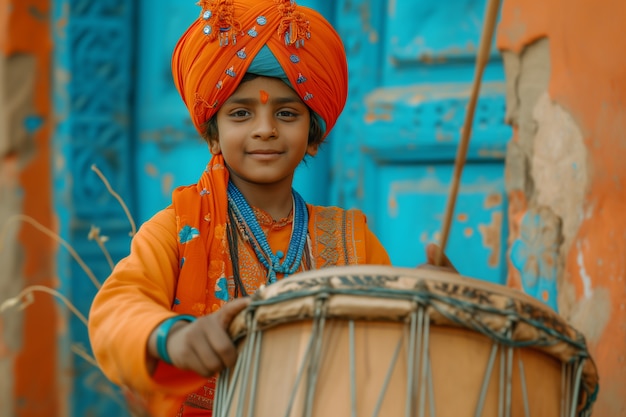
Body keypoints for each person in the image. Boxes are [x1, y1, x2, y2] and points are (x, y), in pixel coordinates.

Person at [88, 1, 455, 416]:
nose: (265, 129)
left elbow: (391, 344)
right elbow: (115, 310)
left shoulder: (353, 241)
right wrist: (172, 338)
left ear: (313, 136)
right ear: (213, 134)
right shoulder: (176, 229)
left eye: (286, 113)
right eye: (241, 113)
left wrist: (438, 303)